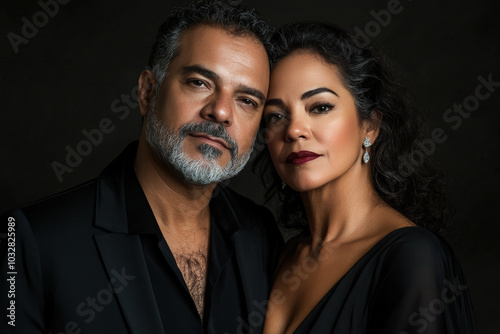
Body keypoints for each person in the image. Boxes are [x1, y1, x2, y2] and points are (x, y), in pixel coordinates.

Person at [0, 1, 283, 333]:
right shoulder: (27, 239)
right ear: (148, 92)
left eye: (246, 100)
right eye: (199, 83)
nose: (221, 112)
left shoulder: (261, 235)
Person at [256, 22, 477, 333]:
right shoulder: (279, 256)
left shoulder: (413, 257)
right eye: (276, 116)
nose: (294, 130)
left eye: (319, 107)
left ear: (370, 126)